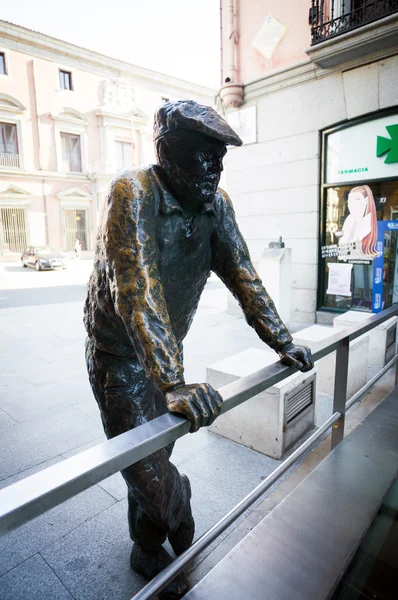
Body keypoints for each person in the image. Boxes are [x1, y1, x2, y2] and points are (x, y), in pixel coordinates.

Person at [84, 100, 313, 598]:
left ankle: (145, 548)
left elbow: (243, 275)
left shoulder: (217, 204)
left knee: (153, 459)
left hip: (164, 356)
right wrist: (174, 382)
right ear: (165, 151)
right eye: (204, 154)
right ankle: (177, 512)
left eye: (220, 156)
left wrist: (283, 340)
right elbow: (136, 290)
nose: (217, 166)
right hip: (119, 359)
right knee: (150, 473)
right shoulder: (133, 193)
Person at [338, 185, 378, 259]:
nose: (352, 204)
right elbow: (341, 254)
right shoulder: (350, 220)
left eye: (357, 199)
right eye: (349, 202)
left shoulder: (369, 223)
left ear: (366, 200)